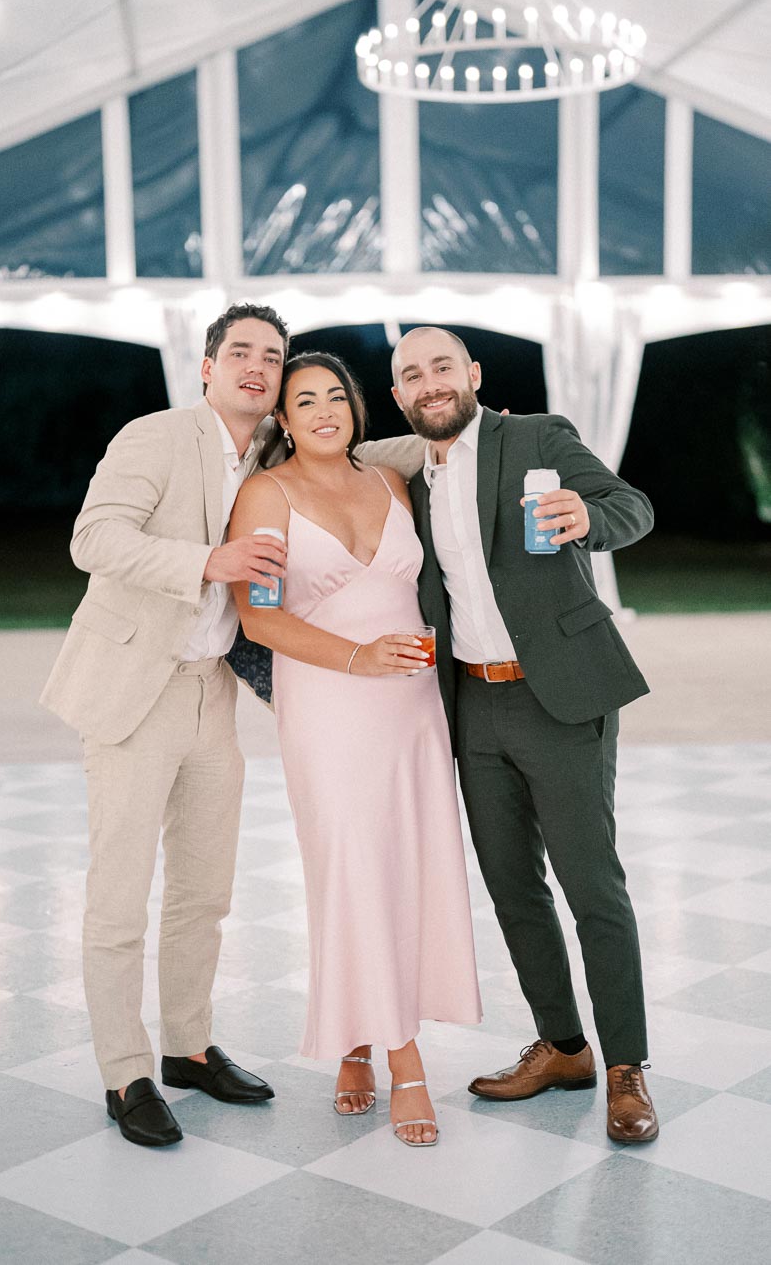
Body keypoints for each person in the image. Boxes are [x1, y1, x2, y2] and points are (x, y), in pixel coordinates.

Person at [390, 325, 659, 1144]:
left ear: (472, 373)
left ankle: (627, 1069)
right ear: (400, 397)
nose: (431, 383)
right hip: (473, 704)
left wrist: (587, 516)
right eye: (412, 375)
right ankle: (565, 1048)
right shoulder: (408, 475)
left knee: (592, 888)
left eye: (443, 366)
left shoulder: (537, 437)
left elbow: (633, 508)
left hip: (562, 697)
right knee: (512, 888)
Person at [40, 303, 291, 1147]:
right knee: (119, 898)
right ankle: (126, 1072)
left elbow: (360, 451)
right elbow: (93, 539)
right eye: (240, 352)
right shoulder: (154, 436)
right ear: (208, 367)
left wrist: (477, 432)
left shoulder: (273, 451)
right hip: (135, 690)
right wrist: (209, 562)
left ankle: (188, 1048)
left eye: (272, 356)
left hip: (213, 695)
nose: (257, 366)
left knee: (203, 891)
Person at [229, 351, 482, 1148]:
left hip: (411, 708)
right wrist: (356, 657)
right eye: (305, 400)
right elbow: (259, 617)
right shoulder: (265, 496)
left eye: (336, 396)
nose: (324, 411)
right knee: (351, 869)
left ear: (356, 407)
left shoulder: (391, 484)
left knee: (406, 871)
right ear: (282, 418)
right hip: (329, 706)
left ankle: (356, 1043)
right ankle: (406, 1062)